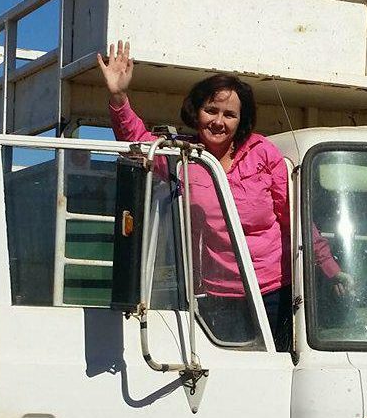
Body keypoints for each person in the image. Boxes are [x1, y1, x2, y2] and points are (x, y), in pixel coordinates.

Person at [97, 41, 348, 350]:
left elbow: (294, 220)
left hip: (275, 290)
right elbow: (135, 140)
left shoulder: (263, 153)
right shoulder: (182, 156)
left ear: (241, 120)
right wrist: (118, 95)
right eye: (211, 110)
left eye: (229, 114)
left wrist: (331, 270)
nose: (219, 121)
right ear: (196, 112)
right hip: (220, 297)